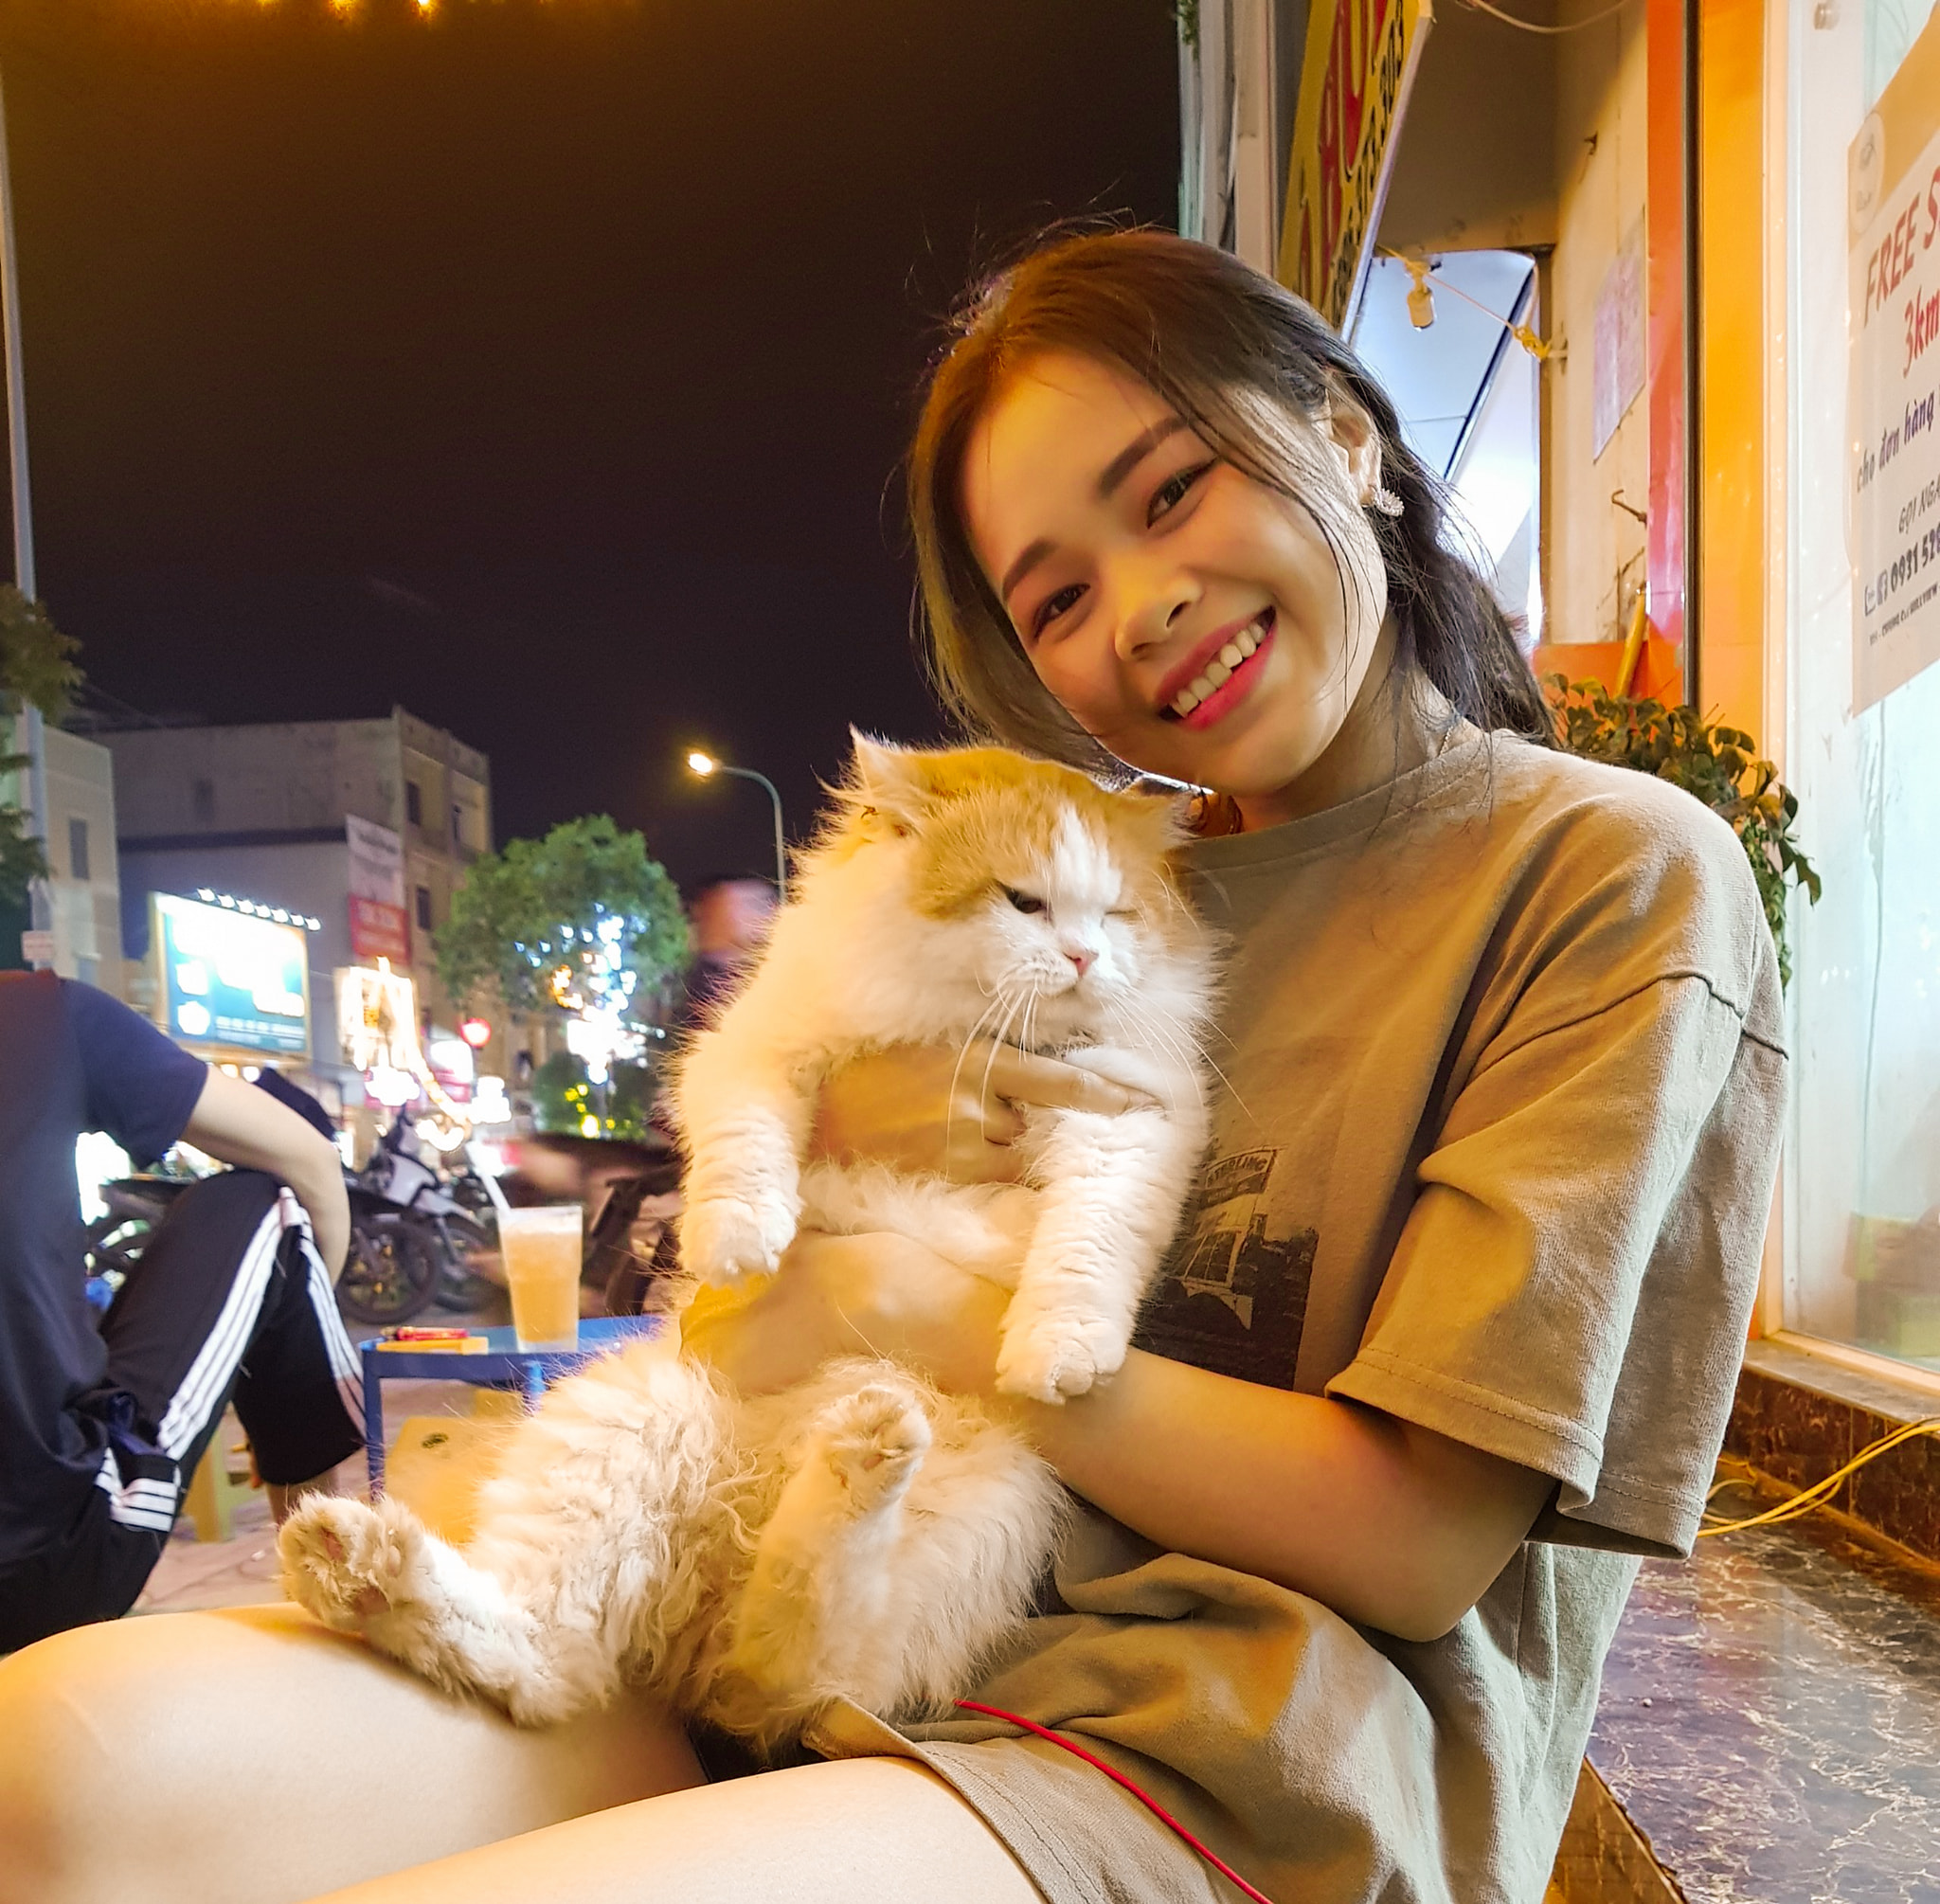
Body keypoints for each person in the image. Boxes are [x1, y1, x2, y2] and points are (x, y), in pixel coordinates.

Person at [0, 230, 1785, 1904]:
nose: (1141, 608)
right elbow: (742, 1294)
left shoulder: (1603, 876)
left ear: (1345, 435)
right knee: (57, 1774)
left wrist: (906, 1302)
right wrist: (818, 1200)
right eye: (1056, 597)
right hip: (784, 1607)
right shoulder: (1080, 855)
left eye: (1174, 490)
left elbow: (1414, 1547)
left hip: (1221, 1754)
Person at [0, 972, 366, 1653]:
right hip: (44, 1554)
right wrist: (277, 1332)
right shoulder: (39, 1010)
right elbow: (310, 1161)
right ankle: (332, 1618)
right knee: (268, 1204)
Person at [675, 873, 781, 1033]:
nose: (771, 914)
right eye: (754, 904)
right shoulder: (709, 991)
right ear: (713, 908)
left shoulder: (761, 976)